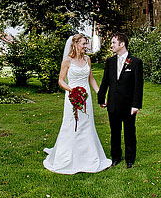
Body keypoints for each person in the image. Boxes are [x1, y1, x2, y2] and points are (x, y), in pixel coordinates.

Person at [43, 34, 112, 174]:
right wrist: (71, 90)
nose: (85, 47)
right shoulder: (67, 61)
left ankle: (88, 157)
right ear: (75, 44)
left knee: (87, 124)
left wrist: (100, 95)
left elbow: (91, 79)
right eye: (83, 44)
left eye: (86, 44)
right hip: (72, 97)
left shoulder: (87, 59)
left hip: (86, 97)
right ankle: (67, 157)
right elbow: (61, 80)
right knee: (71, 124)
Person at [97, 32, 144, 168]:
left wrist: (136, 105)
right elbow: (105, 81)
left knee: (130, 132)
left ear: (122, 44)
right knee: (114, 132)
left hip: (128, 105)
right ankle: (116, 157)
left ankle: (130, 159)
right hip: (113, 103)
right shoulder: (110, 62)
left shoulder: (135, 62)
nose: (111, 45)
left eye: (113, 43)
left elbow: (138, 86)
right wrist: (101, 98)